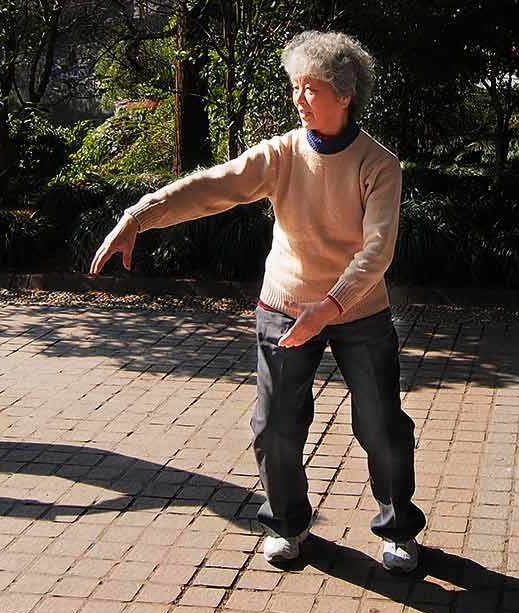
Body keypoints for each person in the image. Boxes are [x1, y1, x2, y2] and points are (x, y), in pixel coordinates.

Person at [90, 30, 426, 572]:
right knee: (275, 425)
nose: (298, 98)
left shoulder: (378, 165)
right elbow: (213, 185)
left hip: (358, 311)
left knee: (382, 424)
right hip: (285, 306)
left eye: (310, 88)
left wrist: (332, 306)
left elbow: (377, 250)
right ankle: (286, 523)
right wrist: (139, 215)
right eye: (295, 86)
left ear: (344, 95)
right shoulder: (283, 154)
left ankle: (398, 528)